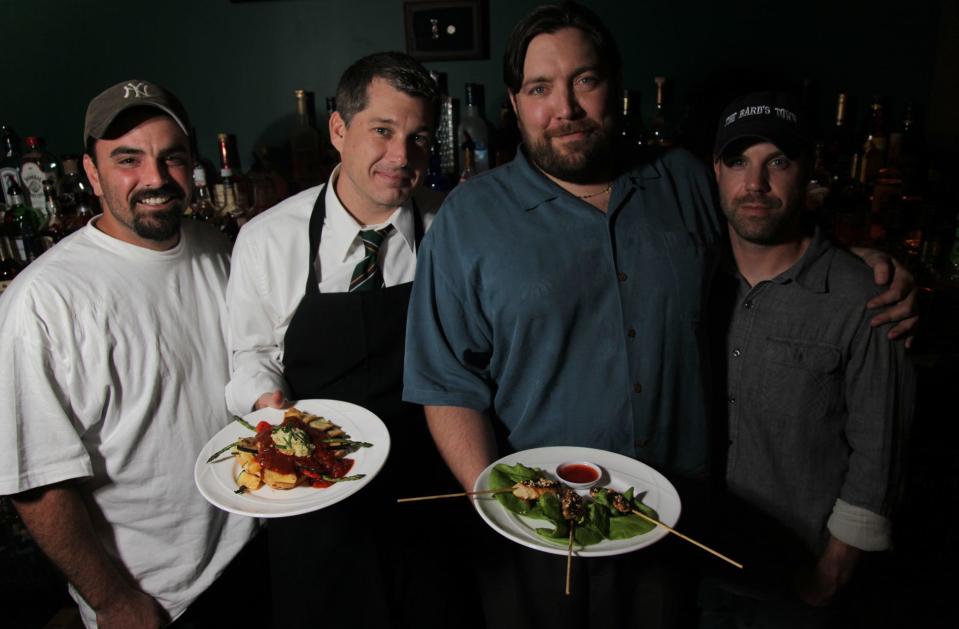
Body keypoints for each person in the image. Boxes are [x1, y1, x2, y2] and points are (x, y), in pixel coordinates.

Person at [403, 3, 917, 627]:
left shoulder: (685, 182)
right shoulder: (467, 219)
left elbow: (770, 244)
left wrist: (859, 264)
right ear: (515, 102)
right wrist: (503, 502)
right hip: (540, 529)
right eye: (540, 88)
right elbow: (447, 382)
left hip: (675, 521)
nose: (564, 108)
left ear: (616, 88)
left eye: (584, 81)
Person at [0, 80, 258, 628]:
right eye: (127, 159)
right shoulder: (41, 303)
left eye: (172, 158)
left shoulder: (215, 247)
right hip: (161, 596)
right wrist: (112, 600)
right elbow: (35, 483)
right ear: (90, 173)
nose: (155, 179)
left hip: (252, 539)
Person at [225, 52, 470, 628]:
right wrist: (269, 407)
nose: (400, 156)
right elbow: (252, 354)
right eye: (381, 131)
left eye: (418, 138)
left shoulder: (452, 227)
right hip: (318, 501)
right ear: (339, 129)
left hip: (430, 495)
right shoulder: (267, 241)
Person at [700, 91, 914, 627]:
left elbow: (880, 451)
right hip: (690, 571)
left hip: (795, 586)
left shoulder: (864, 295)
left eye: (778, 161)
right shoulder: (689, 278)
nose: (756, 184)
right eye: (739, 162)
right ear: (716, 171)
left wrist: (830, 576)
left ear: (808, 172)